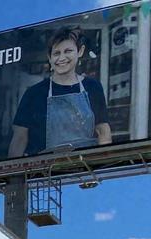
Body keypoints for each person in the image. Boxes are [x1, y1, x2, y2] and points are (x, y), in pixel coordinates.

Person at [9, 27, 113, 157]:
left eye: (68, 51)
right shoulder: (34, 93)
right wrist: (14, 176)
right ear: (49, 57)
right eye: (56, 53)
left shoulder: (93, 87)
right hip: (44, 172)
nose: (62, 58)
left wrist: (104, 164)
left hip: (86, 168)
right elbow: (19, 138)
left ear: (80, 51)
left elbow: (103, 131)